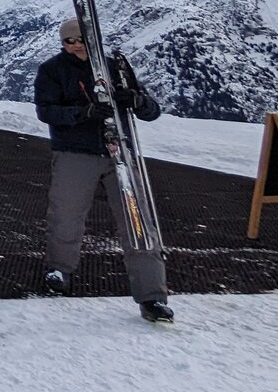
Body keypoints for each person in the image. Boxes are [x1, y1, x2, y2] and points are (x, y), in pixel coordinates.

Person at [33, 18, 173, 323]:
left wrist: (136, 100)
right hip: (75, 151)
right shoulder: (52, 70)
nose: (76, 45)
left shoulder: (116, 69)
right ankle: (59, 270)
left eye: (81, 39)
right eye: (70, 41)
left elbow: (151, 109)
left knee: (137, 221)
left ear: (93, 39)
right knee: (66, 213)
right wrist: (83, 113)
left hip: (120, 151)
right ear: (63, 44)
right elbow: (46, 111)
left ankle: (152, 296)